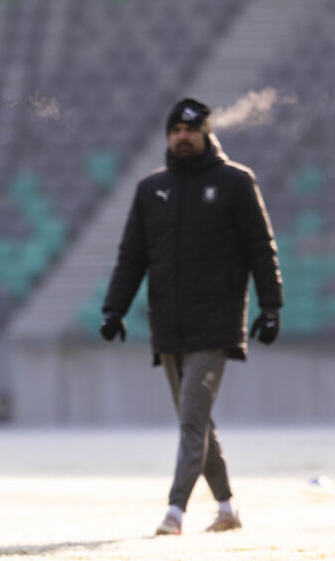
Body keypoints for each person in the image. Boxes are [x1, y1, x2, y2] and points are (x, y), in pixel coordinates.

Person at [100, 97, 283, 537]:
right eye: (175, 131)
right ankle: (228, 508)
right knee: (196, 420)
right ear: (168, 136)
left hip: (216, 323)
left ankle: (175, 512)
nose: (182, 137)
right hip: (168, 325)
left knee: (191, 419)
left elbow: (261, 247)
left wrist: (271, 306)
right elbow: (132, 256)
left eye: (191, 130)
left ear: (206, 134)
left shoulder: (236, 182)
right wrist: (114, 309)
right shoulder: (151, 189)